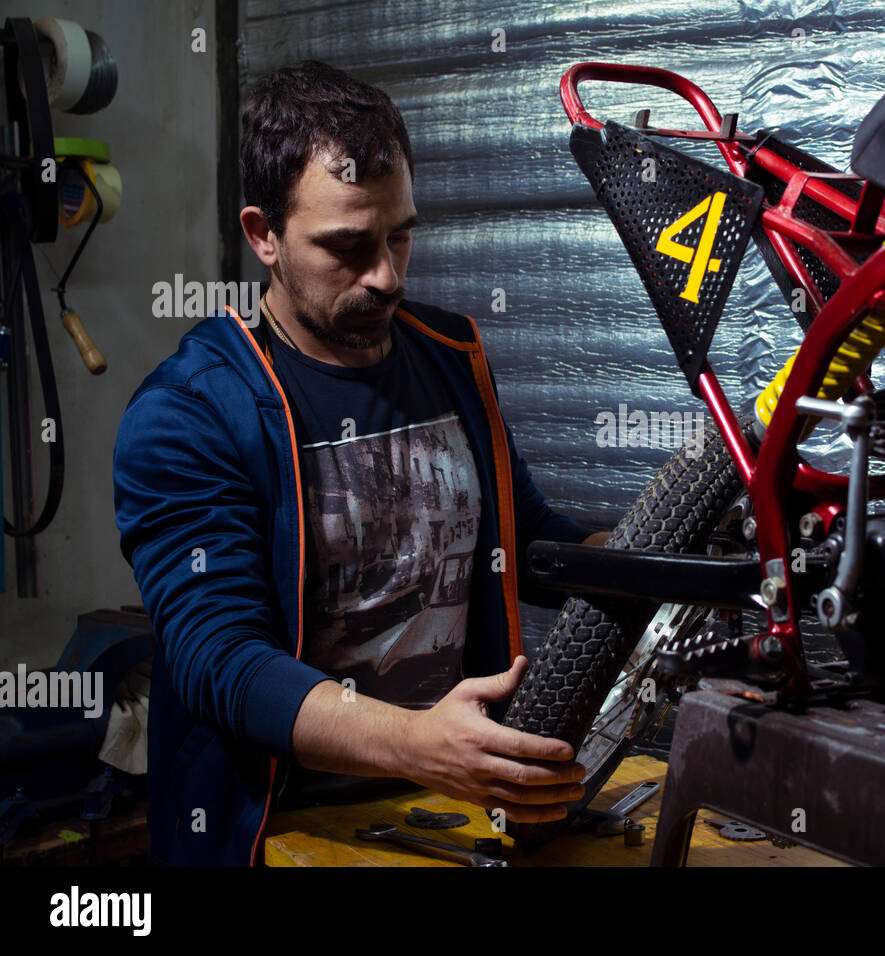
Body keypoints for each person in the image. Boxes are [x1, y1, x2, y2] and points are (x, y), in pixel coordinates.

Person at [113, 59, 608, 866]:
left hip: (450, 814)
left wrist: (678, 570)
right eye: (347, 247)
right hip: (278, 835)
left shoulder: (449, 357)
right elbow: (222, 661)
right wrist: (417, 743)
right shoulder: (191, 414)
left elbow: (527, 540)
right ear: (262, 235)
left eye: (400, 235)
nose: (385, 276)